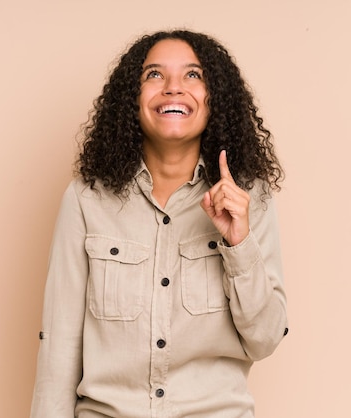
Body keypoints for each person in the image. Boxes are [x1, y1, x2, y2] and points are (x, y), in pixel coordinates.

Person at [30, 29, 288, 418]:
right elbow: (60, 342)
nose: (172, 88)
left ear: (214, 97)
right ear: (130, 100)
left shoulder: (249, 200)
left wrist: (239, 243)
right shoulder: (86, 198)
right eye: (154, 75)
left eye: (192, 75)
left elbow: (265, 340)